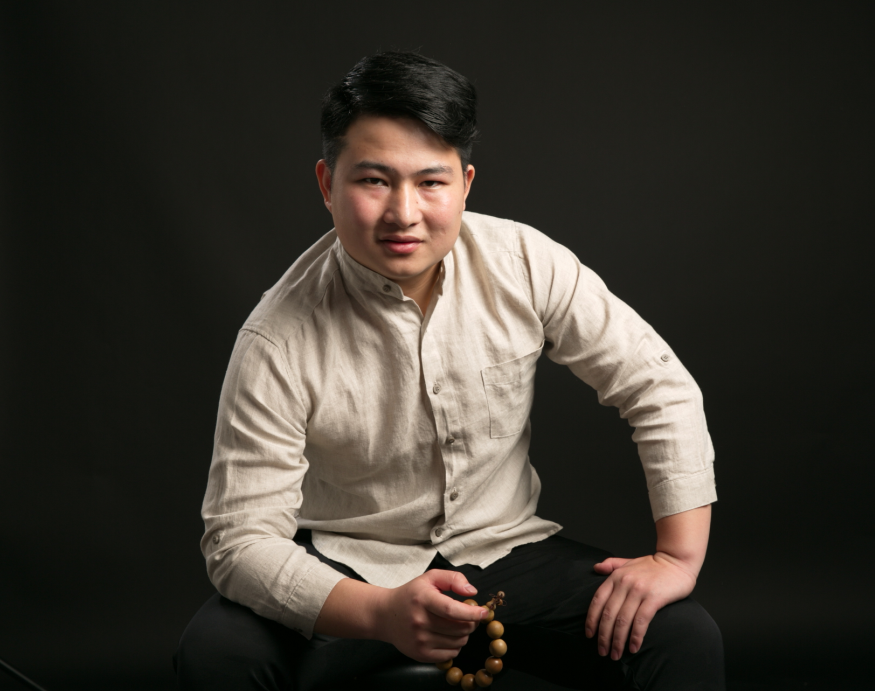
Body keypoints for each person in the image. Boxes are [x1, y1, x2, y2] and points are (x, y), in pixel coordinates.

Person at [174, 52, 724, 690]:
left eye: (430, 182)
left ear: (465, 183)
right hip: (349, 564)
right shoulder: (277, 336)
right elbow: (239, 541)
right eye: (374, 180)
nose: (403, 213)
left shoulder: (524, 262)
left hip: (506, 550)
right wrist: (380, 612)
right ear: (327, 184)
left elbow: (659, 385)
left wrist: (677, 558)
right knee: (218, 653)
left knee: (681, 634)